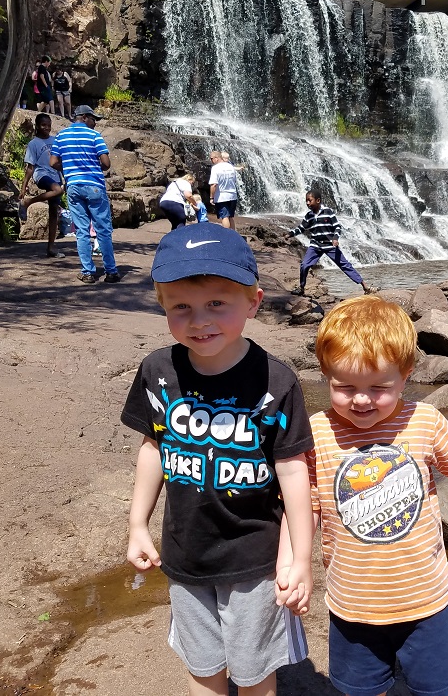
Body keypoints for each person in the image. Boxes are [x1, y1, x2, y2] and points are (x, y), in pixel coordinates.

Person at [122, 223, 315, 696]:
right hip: (185, 553)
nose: (199, 320)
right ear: (162, 305)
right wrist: (138, 524)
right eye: (181, 307)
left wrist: (301, 558)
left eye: (216, 304)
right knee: (201, 665)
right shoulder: (158, 370)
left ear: (253, 302)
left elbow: (294, 471)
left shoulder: (276, 381)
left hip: (255, 560)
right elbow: (153, 448)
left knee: (253, 673)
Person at [306, 295, 448, 696]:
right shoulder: (318, 433)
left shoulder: (423, 421)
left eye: (379, 387)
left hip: (425, 598)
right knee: (360, 690)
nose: (361, 399)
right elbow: (304, 506)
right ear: (326, 375)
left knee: (441, 688)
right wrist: (293, 563)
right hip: (352, 602)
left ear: (406, 375)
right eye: (345, 387)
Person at [50, 105, 120, 284]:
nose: (95, 123)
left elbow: (53, 162)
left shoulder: (61, 136)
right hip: (94, 186)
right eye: (93, 119)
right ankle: (111, 271)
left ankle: (87, 272)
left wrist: (69, 168)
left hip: (74, 186)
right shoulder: (94, 136)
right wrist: (93, 166)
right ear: (83, 117)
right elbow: (106, 164)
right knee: (103, 230)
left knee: (82, 231)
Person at [286, 190, 377, 297]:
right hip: (315, 245)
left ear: (318, 200)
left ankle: (365, 286)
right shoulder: (308, 216)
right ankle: (302, 288)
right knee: (304, 265)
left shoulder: (328, 212)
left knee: (345, 265)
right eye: (306, 201)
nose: (307, 203)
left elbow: (337, 226)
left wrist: (335, 238)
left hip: (330, 245)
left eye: (310, 200)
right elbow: (301, 228)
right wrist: (290, 234)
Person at [17, 113, 66, 258]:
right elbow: (30, 167)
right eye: (43, 125)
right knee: (57, 190)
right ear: (37, 126)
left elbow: (60, 161)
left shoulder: (55, 140)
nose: (47, 128)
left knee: (53, 211)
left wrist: (65, 177)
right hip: (41, 174)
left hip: (55, 174)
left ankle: (51, 247)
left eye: (49, 125)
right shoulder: (34, 144)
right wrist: (24, 186)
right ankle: (28, 202)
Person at [208, 149, 244, 230]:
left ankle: (227, 235)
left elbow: (213, 184)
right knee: (230, 216)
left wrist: (211, 197)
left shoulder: (215, 168)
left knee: (224, 216)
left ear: (216, 158)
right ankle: (233, 234)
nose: (211, 160)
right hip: (233, 195)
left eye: (211, 158)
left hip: (221, 196)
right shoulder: (230, 166)